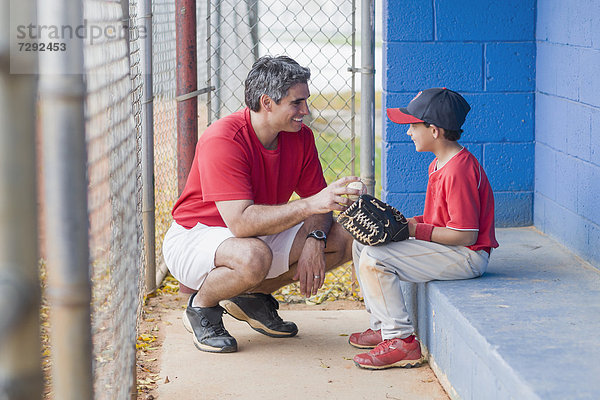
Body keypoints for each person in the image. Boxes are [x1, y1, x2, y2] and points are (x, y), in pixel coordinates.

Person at [162, 55, 361, 353]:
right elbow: (241, 223)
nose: (305, 111)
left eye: (305, 101)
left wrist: (315, 240)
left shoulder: (301, 137)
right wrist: (309, 206)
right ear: (267, 103)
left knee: (343, 237)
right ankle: (201, 306)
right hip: (197, 234)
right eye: (296, 103)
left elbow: (319, 206)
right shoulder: (224, 138)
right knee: (254, 256)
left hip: (256, 231)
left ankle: (249, 297)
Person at [349, 88, 499, 369]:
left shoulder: (458, 170)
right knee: (361, 244)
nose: (408, 133)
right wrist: (403, 224)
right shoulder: (439, 164)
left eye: (412, 126)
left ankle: (402, 342)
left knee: (375, 258)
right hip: (448, 248)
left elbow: (466, 234)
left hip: (467, 256)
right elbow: (439, 221)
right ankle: (384, 326)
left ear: (434, 130)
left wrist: (413, 230)